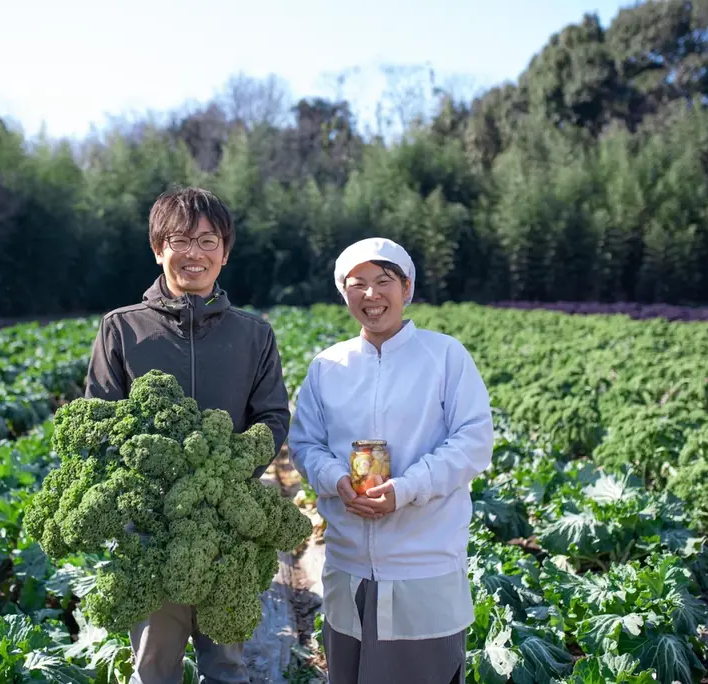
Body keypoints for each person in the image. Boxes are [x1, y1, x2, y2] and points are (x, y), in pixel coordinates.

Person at [83, 186, 291, 684]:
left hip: (229, 530)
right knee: (154, 667)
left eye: (208, 241)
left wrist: (224, 476)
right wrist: (153, 490)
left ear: (224, 252)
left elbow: (272, 417)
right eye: (180, 239)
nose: (194, 253)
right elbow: (98, 420)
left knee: (228, 665)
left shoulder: (253, 334)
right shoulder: (122, 329)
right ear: (158, 248)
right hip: (151, 531)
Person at [287, 237, 494, 684]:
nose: (370, 295)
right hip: (348, 567)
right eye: (356, 284)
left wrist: (407, 488)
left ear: (407, 287)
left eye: (383, 282)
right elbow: (305, 444)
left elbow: (473, 441)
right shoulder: (328, 366)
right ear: (344, 294)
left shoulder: (445, 357)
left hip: (424, 567)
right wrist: (335, 478)